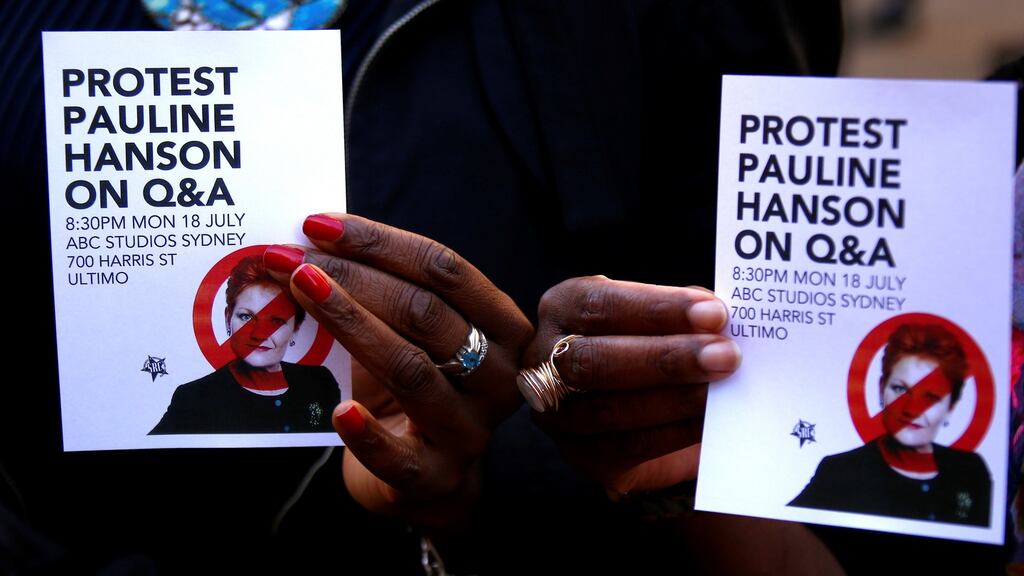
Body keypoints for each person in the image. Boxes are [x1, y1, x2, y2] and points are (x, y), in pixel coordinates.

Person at [790, 323, 991, 526]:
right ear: (881, 389)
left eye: (931, 397)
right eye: (900, 389)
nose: (912, 409)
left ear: (951, 407)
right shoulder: (839, 472)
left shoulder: (971, 471)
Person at [150, 255, 341, 434]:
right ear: (228, 319)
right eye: (246, 316)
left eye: (277, 321)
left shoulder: (320, 383)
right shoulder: (193, 398)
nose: (259, 334)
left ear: (296, 329)